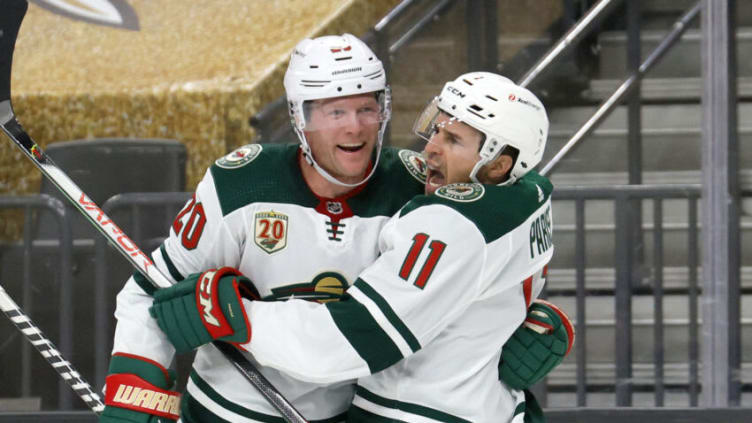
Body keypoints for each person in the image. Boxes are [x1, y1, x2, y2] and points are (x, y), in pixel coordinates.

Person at [149, 72, 574, 423]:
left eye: (454, 141)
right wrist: (515, 317)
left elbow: (344, 343)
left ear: (499, 163)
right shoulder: (527, 194)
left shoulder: (451, 224)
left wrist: (234, 316)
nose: (430, 149)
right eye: (436, 129)